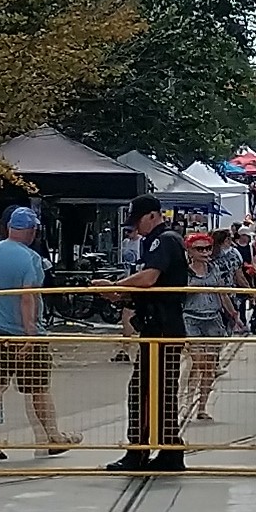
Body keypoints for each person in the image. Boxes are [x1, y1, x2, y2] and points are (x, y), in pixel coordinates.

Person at [0, 208, 75, 462]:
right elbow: (28, 297)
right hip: (25, 333)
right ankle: (53, 436)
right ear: (32, 230)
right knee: (38, 387)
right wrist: (31, 334)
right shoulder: (30, 258)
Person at [103, 194, 190, 472]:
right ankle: (167, 449)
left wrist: (117, 286)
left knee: (146, 389)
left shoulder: (162, 240)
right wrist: (125, 296)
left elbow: (150, 278)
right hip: (159, 323)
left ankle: (140, 451)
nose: (135, 228)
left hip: (161, 327)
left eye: (138, 220)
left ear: (153, 215)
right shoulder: (163, 240)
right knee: (159, 388)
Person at [182, 233, 240, 421]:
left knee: (209, 365)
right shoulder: (184, 272)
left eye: (207, 248)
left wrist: (233, 315)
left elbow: (222, 293)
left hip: (213, 318)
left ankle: (202, 406)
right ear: (190, 251)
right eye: (200, 249)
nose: (205, 252)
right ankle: (187, 398)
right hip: (191, 318)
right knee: (198, 361)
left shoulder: (215, 268)